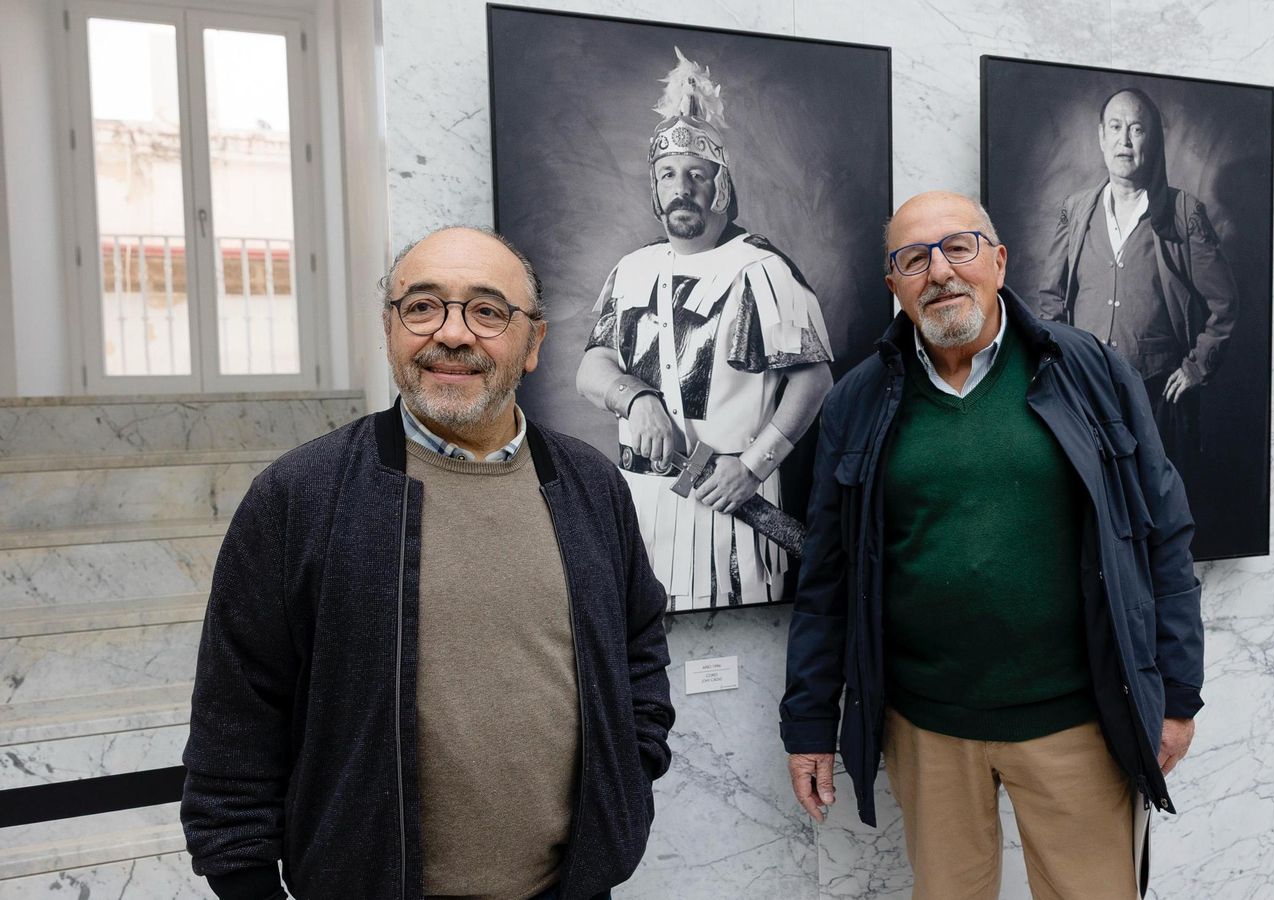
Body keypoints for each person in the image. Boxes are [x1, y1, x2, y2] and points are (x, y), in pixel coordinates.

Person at [182, 226, 674, 900]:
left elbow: (639, 641)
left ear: (532, 343)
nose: (452, 334)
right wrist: (245, 882)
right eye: (422, 307)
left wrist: (632, 762)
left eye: (487, 311)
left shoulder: (589, 484)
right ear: (389, 329)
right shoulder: (300, 496)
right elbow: (236, 714)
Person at [781, 191, 1205, 899]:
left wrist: (1179, 694)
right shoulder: (857, 402)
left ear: (999, 261)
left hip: (1077, 724)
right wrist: (809, 723)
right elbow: (827, 578)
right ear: (894, 284)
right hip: (928, 730)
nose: (940, 272)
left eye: (959, 248)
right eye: (914, 259)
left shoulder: (1089, 372)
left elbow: (1164, 535)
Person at [576, 48, 834, 612]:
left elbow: (814, 381)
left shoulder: (762, 268)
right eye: (668, 174)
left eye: (698, 174)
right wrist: (636, 398)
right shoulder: (631, 269)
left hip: (731, 505)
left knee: (736, 646)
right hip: (642, 506)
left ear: (721, 185)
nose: (682, 187)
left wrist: (754, 466)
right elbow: (592, 367)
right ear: (655, 188)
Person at [1037, 87, 1238, 475]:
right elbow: (1050, 297)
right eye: (1115, 127)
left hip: (1157, 402)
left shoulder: (1184, 213)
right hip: (1086, 397)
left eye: (1137, 129)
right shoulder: (1076, 210)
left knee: (1153, 505)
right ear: (1101, 137)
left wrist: (1197, 367)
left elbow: (1225, 305)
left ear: (1154, 140)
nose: (1124, 140)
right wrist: (1062, 367)